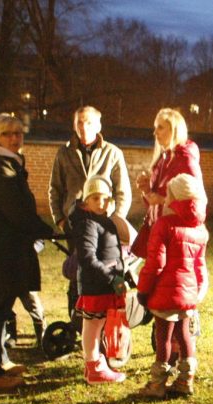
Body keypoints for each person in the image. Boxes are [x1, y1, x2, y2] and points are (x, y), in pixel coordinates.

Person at [0, 113, 55, 393]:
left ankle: (0, 361)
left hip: (4, 245)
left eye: (19, 134)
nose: (15, 139)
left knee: (3, 306)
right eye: (8, 134)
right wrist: (45, 230)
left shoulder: (7, 164)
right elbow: (17, 211)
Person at [48, 106, 130, 324]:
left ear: (99, 125)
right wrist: (60, 218)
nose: (84, 127)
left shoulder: (113, 153)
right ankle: (77, 321)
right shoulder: (64, 153)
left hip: (105, 226)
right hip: (75, 224)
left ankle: (103, 319)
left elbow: (123, 191)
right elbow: (55, 188)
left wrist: (116, 221)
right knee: (78, 273)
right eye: (79, 123)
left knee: (104, 270)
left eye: (89, 122)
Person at [135, 173, 209, 398]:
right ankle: (186, 381)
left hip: (164, 294)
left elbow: (156, 263)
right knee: (185, 336)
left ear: (174, 197)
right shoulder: (200, 230)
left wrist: (143, 290)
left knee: (163, 338)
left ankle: (157, 385)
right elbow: (200, 266)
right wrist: (197, 293)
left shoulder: (164, 225)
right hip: (188, 296)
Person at [70, 175, 128, 385]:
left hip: (106, 283)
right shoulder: (87, 223)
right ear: (86, 200)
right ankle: (93, 365)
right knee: (93, 325)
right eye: (96, 198)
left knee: (98, 323)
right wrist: (112, 277)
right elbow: (88, 258)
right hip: (96, 284)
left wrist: (121, 274)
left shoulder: (104, 220)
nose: (101, 203)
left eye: (105, 199)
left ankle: (95, 363)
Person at [135, 108, 202, 228]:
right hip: (158, 230)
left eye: (160, 127)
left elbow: (196, 207)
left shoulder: (186, 160)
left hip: (175, 232)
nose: (155, 133)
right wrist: (147, 190)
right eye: (155, 128)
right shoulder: (162, 159)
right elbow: (154, 205)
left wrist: (162, 200)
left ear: (174, 131)